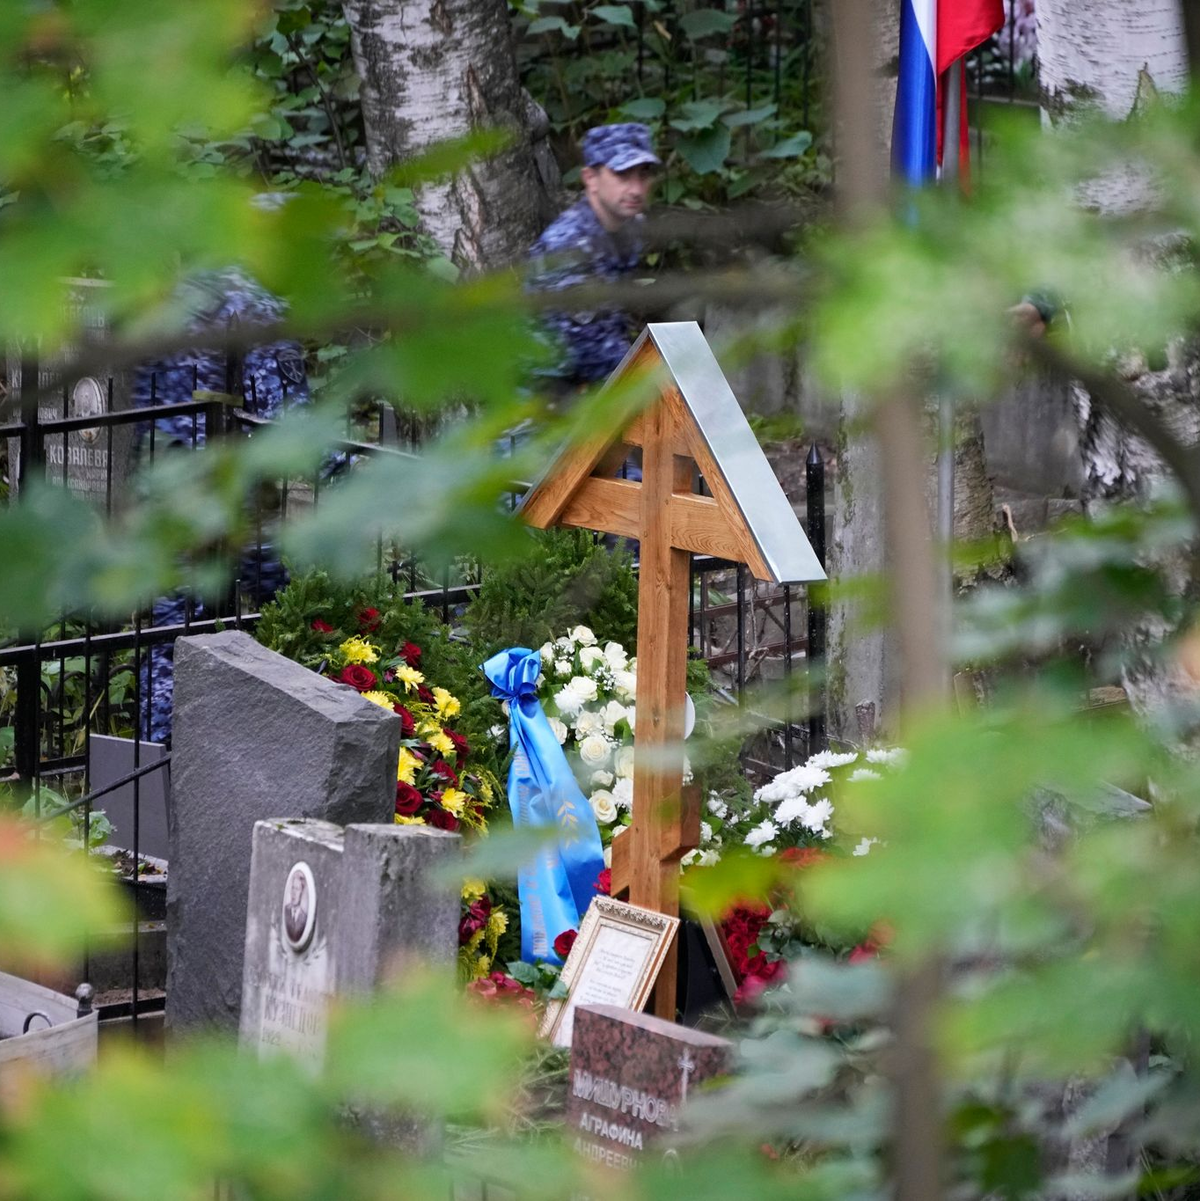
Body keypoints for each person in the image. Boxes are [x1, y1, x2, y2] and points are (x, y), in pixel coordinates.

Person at [526, 123, 660, 395]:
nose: (636, 189)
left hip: (591, 390)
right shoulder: (568, 245)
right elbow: (586, 345)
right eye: (622, 175)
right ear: (591, 179)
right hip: (538, 405)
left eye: (643, 175)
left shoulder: (630, 227)